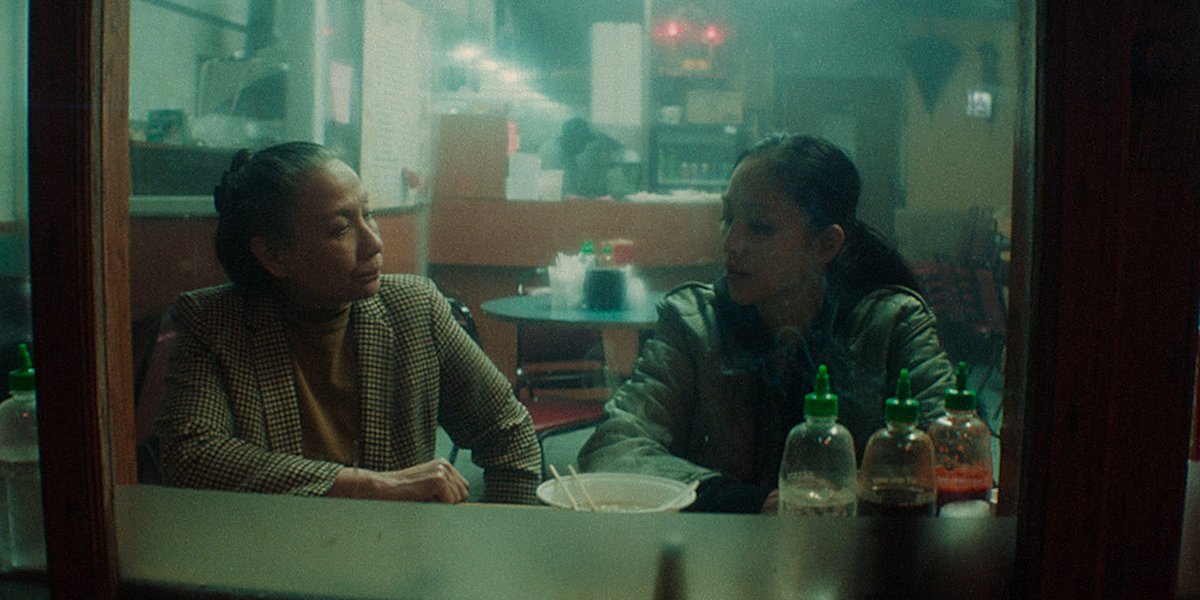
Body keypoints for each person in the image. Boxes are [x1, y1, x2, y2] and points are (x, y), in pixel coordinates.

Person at [577, 133, 955, 513]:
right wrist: (749, 502)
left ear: (825, 244)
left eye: (759, 227)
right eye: (727, 218)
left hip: (847, 546)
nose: (731, 242)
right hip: (717, 544)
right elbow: (614, 447)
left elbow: (953, 454)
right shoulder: (695, 323)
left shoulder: (890, 326)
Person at [156, 142, 541, 504]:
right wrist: (372, 485)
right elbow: (191, 457)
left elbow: (509, 432)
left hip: (397, 546)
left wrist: (498, 534)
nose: (374, 243)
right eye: (341, 229)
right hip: (272, 546)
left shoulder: (414, 310)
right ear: (274, 256)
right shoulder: (213, 322)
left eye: (368, 214)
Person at [538, 117, 631, 198]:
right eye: (583, 141)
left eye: (586, 141)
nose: (585, 145)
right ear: (572, 138)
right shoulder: (551, 154)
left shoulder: (568, 152)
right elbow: (556, 192)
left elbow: (618, 146)